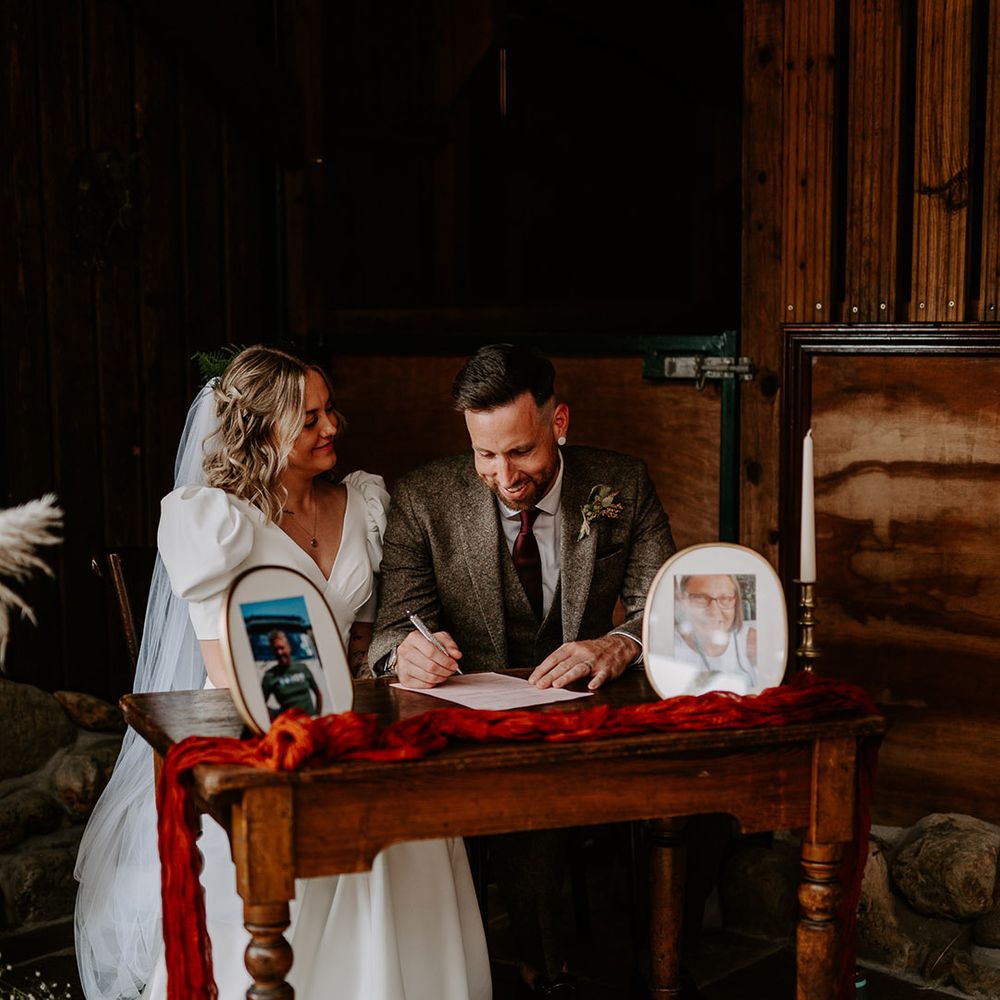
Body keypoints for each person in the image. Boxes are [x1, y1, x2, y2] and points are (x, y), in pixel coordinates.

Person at [74, 346, 491, 1000]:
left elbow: (365, 639)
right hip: (254, 728)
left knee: (415, 804)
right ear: (259, 427)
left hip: (349, 715)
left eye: (330, 411)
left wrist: (403, 657)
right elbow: (224, 666)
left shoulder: (364, 503)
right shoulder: (213, 522)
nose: (332, 428)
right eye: (308, 419)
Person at [369, 343, 676, 996]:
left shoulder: (622, 483)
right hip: (479, 721)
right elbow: (392, 628)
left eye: (521, 451)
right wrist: (407, 652)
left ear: (558, 422)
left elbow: (663, 603)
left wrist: (618, 642)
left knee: (692, 786)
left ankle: (667, 967)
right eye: (485, 454)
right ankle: (548, 973)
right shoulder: (423, 499)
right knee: (523, 785)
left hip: (595, 711)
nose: (503, 473)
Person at [673, 574, 758, 695]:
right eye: (700, 598)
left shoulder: (752, 639)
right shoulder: (669, 644)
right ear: (682, 602)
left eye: (725, 599)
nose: (714, 612)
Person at [261, 629, 323, 716]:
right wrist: (274, 720)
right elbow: (260, 705)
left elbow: (318, 694)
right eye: (275, 649)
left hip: (310, 722)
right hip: (291, 726)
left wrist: (317, 716)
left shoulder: (302, 668)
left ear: (288, 647)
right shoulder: (269, 676)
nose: (279, 652)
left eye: (281, 648)